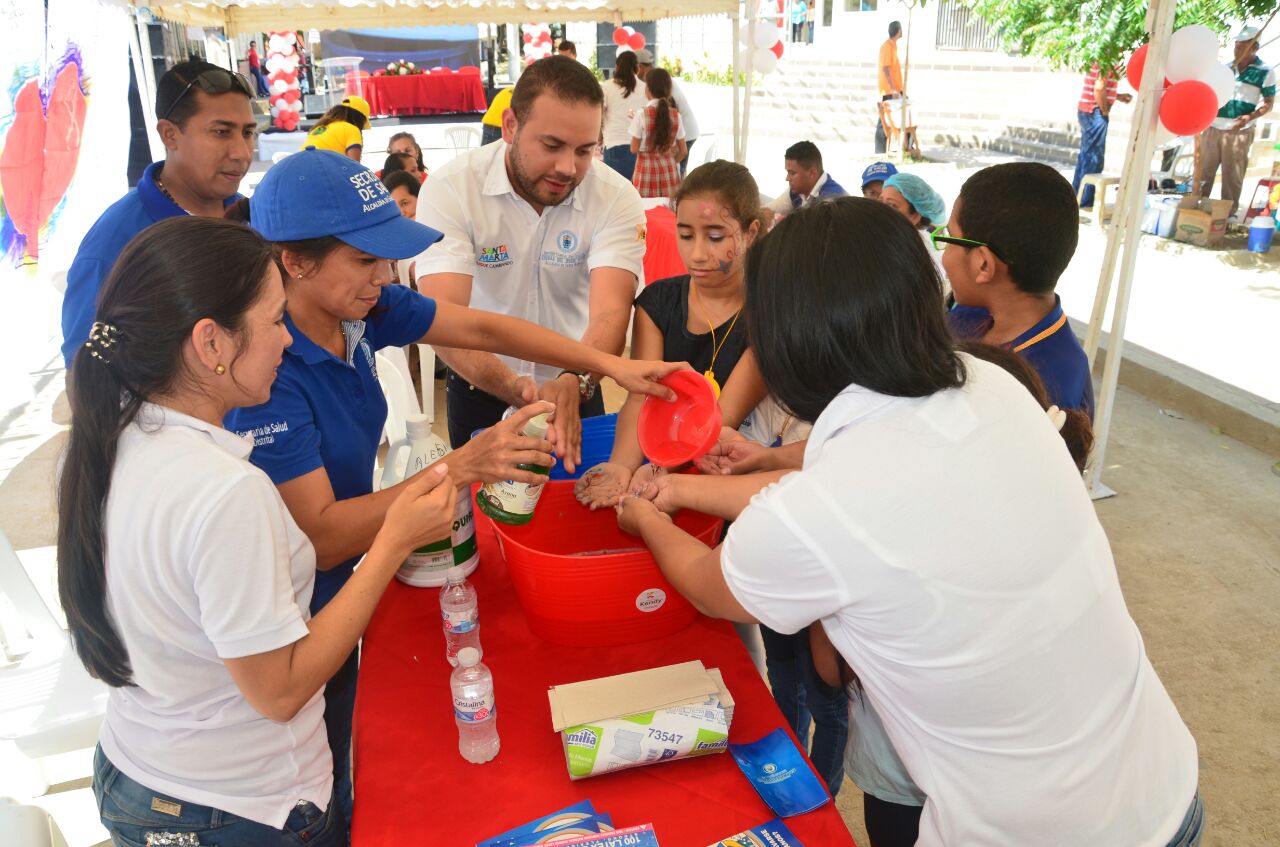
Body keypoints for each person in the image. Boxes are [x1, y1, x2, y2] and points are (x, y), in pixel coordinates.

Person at [617, 196, 1202, 847]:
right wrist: (734, 472)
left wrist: (645, 510)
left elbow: (705, 579)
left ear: (785, 343)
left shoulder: (824, 509)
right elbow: (867, 479)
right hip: (1164, 786)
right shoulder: (992, 384)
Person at [226, 149, 683, 833]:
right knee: (329, 782)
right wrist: (462, 465)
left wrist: (606, 366)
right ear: (293, 262)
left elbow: (478, 326)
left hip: (343, 596)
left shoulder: (359, 309)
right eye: (365, 260)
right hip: (291, 620)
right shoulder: (265, 374)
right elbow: (321, 536)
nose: (386, 277)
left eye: (389, 259)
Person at [59, 216, 458, 847]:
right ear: (211, 343)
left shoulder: (114, 434)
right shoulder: (224, 492)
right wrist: (393, 542)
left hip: (139, 768)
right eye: (275, 321)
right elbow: (282, 689)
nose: (285, 339)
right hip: (242, 804)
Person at [806, 339, 1096, 847]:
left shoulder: (891, 535)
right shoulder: (1052, 529)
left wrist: (824, 594)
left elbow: (832, 669)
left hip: (904, 782)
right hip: (1014, 786)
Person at [416, 56, 650, 464]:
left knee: (576, 510)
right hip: (480, 384)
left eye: (584, 150)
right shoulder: (452, 188)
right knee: (484, 521)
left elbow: (612, 313)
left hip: (577, 388)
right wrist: (517, 388)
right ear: (510, 126)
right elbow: (443, 318)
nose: (568, 168)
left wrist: (573, 381)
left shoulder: (615, 195)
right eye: (552, 145)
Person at [575, 160, 765, 509]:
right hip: (663, 454)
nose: (696, 254)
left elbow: (721, 417)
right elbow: (641, 396)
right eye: (686, 234)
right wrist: (622, 466)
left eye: (715, 237)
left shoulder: (766, 314)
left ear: (751, 232)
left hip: (729, 467)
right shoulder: (657, 303)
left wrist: (660, 469)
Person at [61, 59, 255, 368]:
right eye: (221, 132)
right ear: (169, 135)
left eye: (247, 132)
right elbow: (86, 371)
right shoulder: (116, 242)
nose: (242, 152)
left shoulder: (252, 217)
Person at [940, 162, 1095, 417]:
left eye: (948, 239)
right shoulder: (969, 314)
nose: (944, 256)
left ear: (983, 264)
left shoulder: (1050, 388)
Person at [1198, 26, 1275, 218]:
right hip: (1213, 126)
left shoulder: (1265, 72)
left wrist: (1250, 117)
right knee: (1203, 173)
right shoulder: (1225, 69)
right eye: (1236, 45)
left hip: (1239, 130)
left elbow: (1269, 104)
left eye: (1242, 46)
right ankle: (1197, 210)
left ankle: (1227, 216)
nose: (1237, 49)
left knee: (1232, 176)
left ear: (1254, 47)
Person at [1071, 62, 1132, 209]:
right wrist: (1104, 111)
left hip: (1088, 110)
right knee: (1094, 159)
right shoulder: (1107, 59)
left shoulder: (1101, 56)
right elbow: (1099, 88)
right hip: (1095, 112)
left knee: (1086, 157)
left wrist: (1117, 96)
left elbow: (1099, 86)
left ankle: (1075, 197)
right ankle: (1085, 201)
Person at [636, 49, 699, 172]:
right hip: (683, 130)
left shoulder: (656, 80)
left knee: (676, 171)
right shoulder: (657, 77)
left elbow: (671, 111)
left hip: (684, 132)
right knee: (673, 170)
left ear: (640, 66)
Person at [629, 68, 687, 198]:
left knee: (647, 212)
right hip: (669, 172)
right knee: (667, 213)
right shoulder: (676, 115)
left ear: (648, 89)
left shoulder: (641, 115)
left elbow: (633, 148)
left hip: (645, 172)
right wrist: (669, 160)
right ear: (669, 90)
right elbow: (683, 151)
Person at [767, 140, 846, 217]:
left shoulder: (833, 202)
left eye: (792, 173)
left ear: (812, 173)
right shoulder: (798, 190)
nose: (787, 178)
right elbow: (768, 211)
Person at [601, 51, 645, 180]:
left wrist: (598, 136)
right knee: (636, 195)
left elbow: (600, 114)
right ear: (637, 68)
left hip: (614, 145)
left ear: (617, 67)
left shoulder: (607, 86)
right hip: (639, 147)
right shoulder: (645, 88)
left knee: (615, 194)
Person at [301, 96, 371, 160]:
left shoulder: (320, 127)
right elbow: (354, 164)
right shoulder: (352, 129)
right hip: (321, 167)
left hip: (301, 164)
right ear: (360, 118)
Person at [876, 22, 904, 153]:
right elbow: (885, 69)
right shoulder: (887, 47)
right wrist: (893, 89)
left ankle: (904, 146)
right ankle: (881, 150)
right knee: (884, 119)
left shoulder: (893, 46)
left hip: (896, 89)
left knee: (892, 118)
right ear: (898, 31)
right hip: (890, 90)